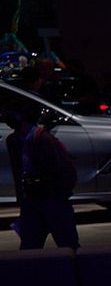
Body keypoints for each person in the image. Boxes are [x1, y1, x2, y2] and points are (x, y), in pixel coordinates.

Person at [2, 99, 79, 249]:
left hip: (52, 201)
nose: (7, 117)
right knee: (30, 248)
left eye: (12, 113)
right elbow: (18, 173)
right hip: (33, 201)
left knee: (68, 246)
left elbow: (66, 172)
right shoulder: (13, 140)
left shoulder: (44, 140)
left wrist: (56, 195)